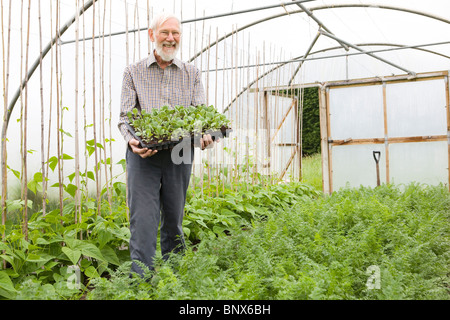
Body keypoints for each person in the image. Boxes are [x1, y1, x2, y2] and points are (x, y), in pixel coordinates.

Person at [118, 12, 214, 278]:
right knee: (143, 219)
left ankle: (174, 279)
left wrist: (205, 133)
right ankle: (140, 281)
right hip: (144, 154)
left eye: (175, 33)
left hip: (180, 151)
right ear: (152, 35)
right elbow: (125, 117)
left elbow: (201, 114)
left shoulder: (191, 73)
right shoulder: (133, 72)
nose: (170, 38)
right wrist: (133, 142)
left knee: (174, 217)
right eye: (165, 33)